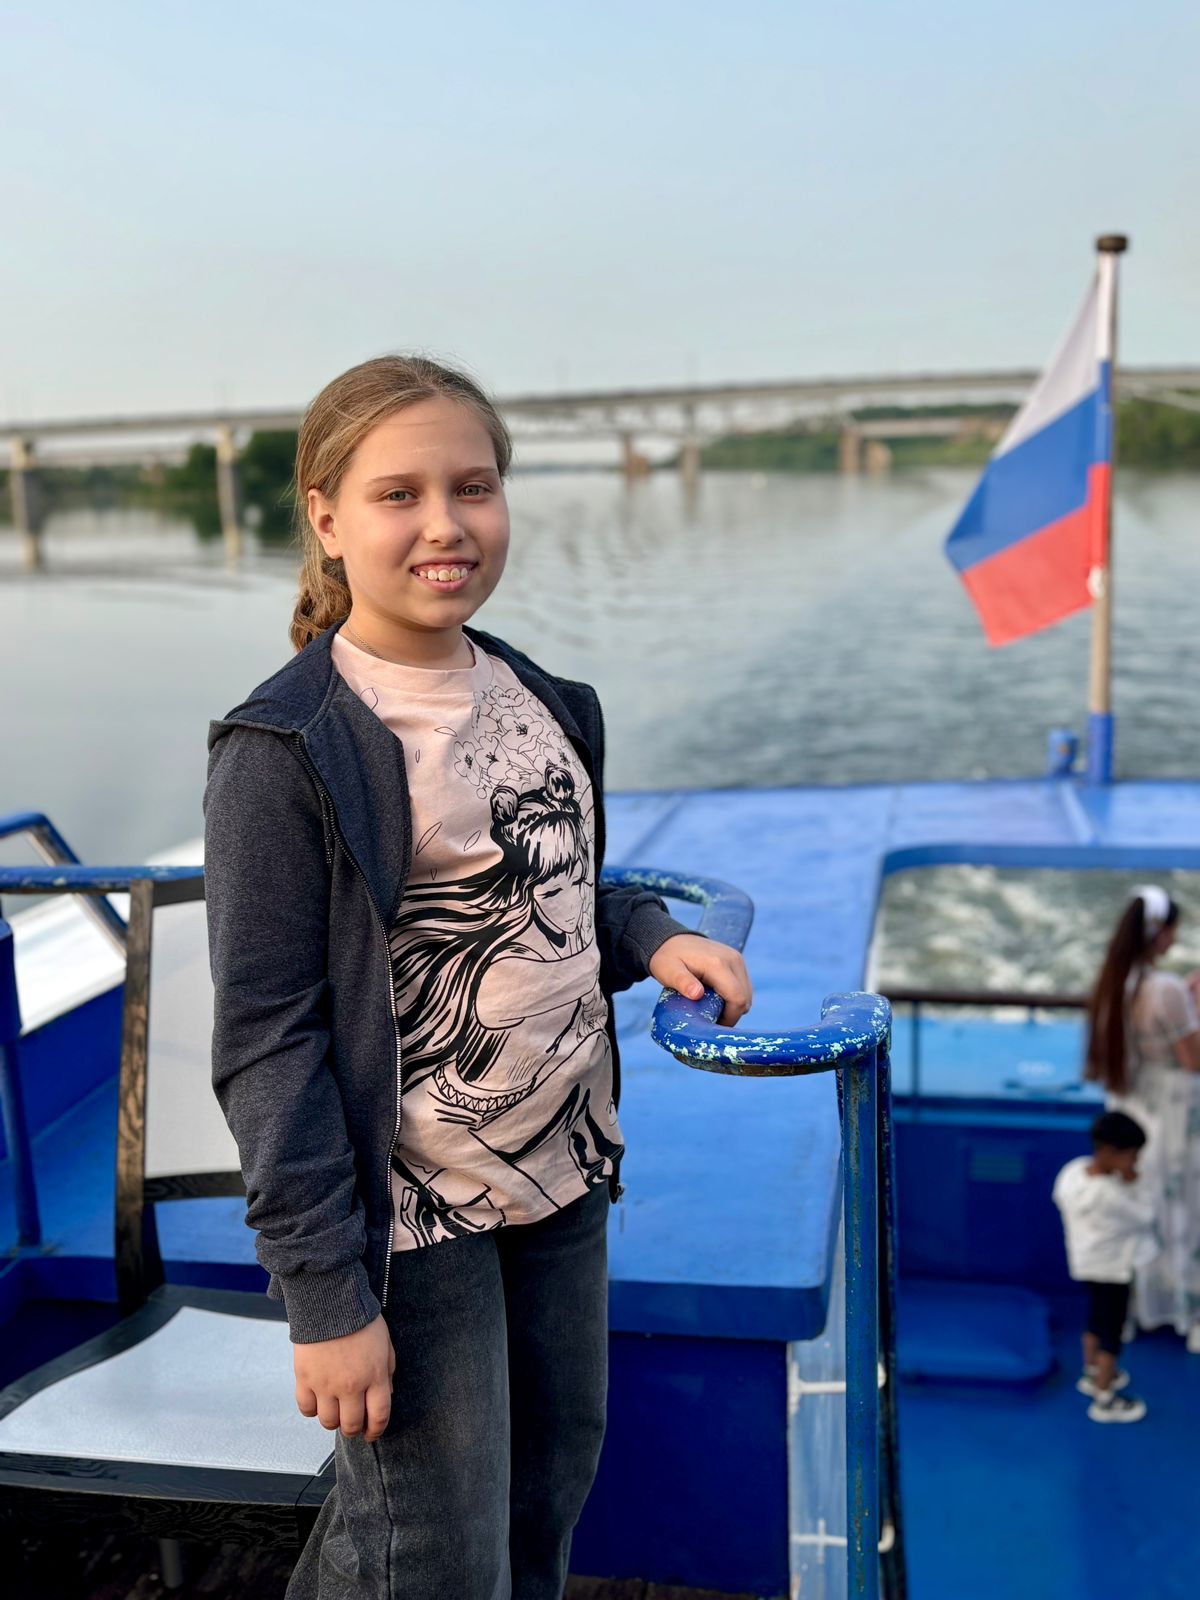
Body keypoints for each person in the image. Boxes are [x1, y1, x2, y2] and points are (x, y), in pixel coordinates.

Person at [203, 355, 753, 1600]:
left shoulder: (541, 698)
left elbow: (545, 894)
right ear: (327, 519)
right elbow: (267, 1040)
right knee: (430, 1552)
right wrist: (326, 1297)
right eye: (398, 494)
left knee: (546, 1494)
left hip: (562, 1183)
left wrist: (645, 934)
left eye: (474, 487)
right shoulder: (287, 749)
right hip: (411, 1228)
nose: (445, 524)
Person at [1083, 885, 1200, 1350]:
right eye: (1173, 931)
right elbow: (1192, 1060)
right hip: (1172, 1112)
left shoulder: (1115, 983)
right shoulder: (1165, 989)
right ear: (1159, 932)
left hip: (1132, 1107)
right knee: (1184, 1206)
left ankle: (1137, 1306)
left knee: (1138, 1204)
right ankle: (1187, 1310)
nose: (1175, 940)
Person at [1052, 1110, 1157, 1423]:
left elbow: (1059, 1197)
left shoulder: (1072, 1171)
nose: (1135, 1163)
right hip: (1113, 1270)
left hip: (1084, 1263)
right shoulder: (1110, 1194)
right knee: (1112, 1332)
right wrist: (1135, 1183)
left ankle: (1091, 1372)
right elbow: (1145, 1217)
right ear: (1112, 1152)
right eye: (1132, 1156)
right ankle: (1104, 1397)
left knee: (1095, 1320)